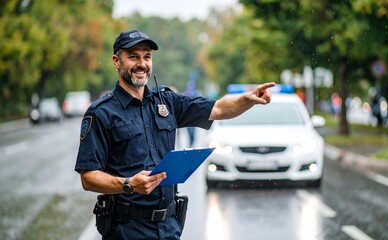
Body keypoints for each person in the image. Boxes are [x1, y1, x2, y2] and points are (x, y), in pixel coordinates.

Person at [74, 29, 275, 240]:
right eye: (133, 57)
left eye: (147, 57)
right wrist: (128, 184)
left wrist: (248, 98)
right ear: (116, 61)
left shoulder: (167, 102)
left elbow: (219, 109)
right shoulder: (101, 113)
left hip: (169, 228)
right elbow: (88, 178)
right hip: (126, 230)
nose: (142, 63)